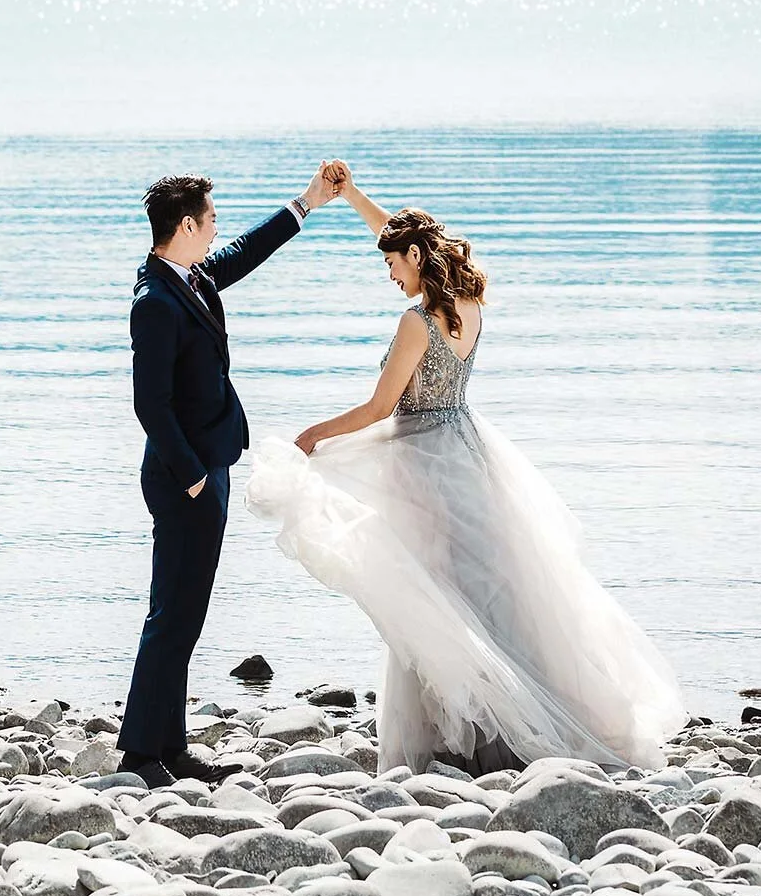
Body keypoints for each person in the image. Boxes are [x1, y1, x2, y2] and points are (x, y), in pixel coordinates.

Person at [245, 172, 685, 773]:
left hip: (423, 467)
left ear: (416, 258)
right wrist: (350, 199)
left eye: (393, 265)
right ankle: (505, 723)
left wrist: (312, 435)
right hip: (470, 456)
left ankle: (461, 739)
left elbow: (380, 408)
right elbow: (403, 238)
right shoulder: (468, 305)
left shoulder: (414, 323)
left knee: (431, 597)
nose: (389, 275)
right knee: (481, 595)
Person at [118, 163, 348, 786]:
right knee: (173, 615)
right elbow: (150, 404)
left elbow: (245, 252)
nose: (218, 228)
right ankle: (142, 753)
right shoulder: (155, 301)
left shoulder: (189, 278)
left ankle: (168, 746)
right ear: (187, 225)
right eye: (211, 218)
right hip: (183, 476)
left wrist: (308, 203)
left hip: (206, 468)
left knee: (185, 614)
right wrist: (193, 476)